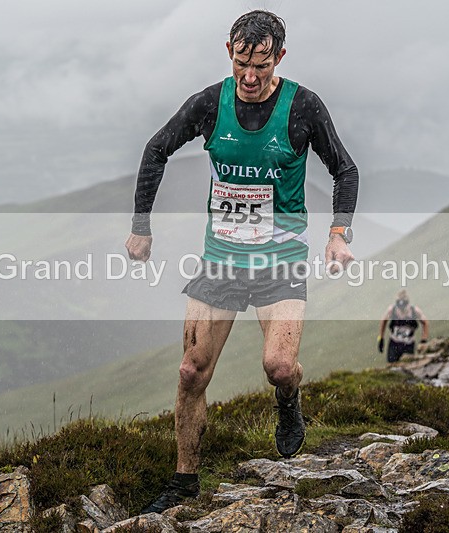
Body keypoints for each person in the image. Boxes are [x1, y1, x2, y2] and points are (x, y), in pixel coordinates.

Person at [125, 10, 358, 514]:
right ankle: (184, 484)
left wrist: (339, 234)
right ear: (228, 50)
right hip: (222, 260)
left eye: (262, 64)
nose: (250, 77)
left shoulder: (302, 108)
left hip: (281, 261)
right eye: (241, 63)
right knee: (190, 373)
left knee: (278, 366)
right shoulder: (211, 104)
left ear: (280, 57)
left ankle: (289, 400)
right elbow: (156, 149)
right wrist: (141, 225)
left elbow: (345, 168)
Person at [377, 290, 429, 363]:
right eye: (399, 305)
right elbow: (383, 321)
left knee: (407, 365)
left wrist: (424, 339)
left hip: (408, 344)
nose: (401, 308)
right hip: (394, 343)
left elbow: (425, 322)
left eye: (403, 305)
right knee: (392, 366)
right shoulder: (392, 310)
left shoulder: (414, 311)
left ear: (407, 303)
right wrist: (381, 338)